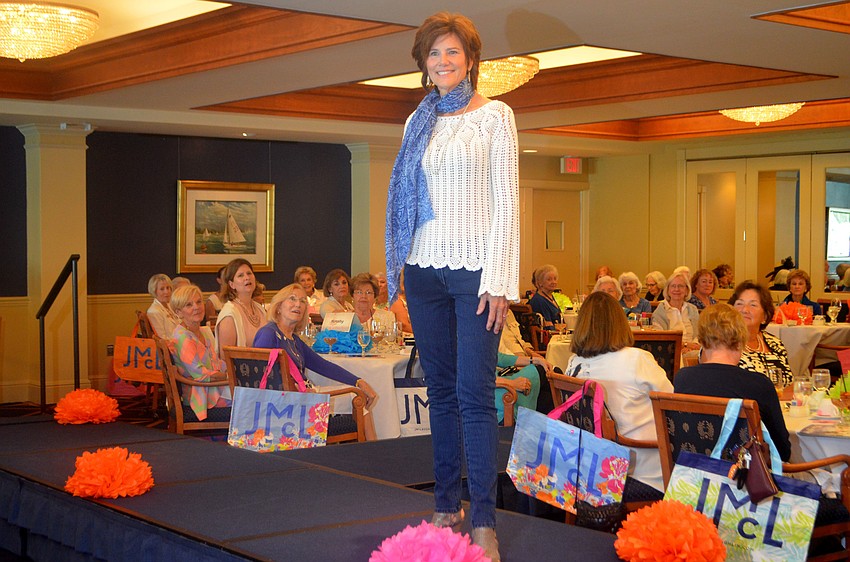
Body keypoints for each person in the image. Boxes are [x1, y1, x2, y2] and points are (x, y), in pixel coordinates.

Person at [383, 12, 518, 559]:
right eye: (433, 54)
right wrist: (398, 276)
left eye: (451, 53)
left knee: (474, 396)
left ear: (469, 59)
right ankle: (445, 502)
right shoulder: (419, 121)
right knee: (437, 392)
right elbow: (404, 204)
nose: (442, 62)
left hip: (475, 274)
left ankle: (483, 515)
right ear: (424, 65)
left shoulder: (496, 117)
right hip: (423, 270)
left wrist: (500, 279)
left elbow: (508, 202)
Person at [566, 291, 673, 492]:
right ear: (620, 323)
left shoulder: (573, 363)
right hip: (641, 471)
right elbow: (673, 404)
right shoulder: (636, 359)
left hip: (589, 467)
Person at [674, 303, 791, 461]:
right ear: (741, 341)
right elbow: (782, 451)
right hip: (742, 482)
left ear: (701, 340)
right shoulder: (759, 385)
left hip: (693, 479)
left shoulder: (682, 379)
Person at [253, 284, 377, 407]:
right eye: (292, 299)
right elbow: (259, 373)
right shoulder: (268, 333)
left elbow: (323, 366)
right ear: (278, 307)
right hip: (282, 405)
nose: (298, 304)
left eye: (302, 301)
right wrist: (296, 390)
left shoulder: (294, 340)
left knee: (358, 393)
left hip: (300, 398)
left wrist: (358, 381)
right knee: (356, 397)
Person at [169, 284, 231, 421]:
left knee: (251, 394)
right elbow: (199, 374)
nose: (196, 307)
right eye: (189, 305)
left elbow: (215, 362)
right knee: (249, 403)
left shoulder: (203, 331)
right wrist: (228, 376)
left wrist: (234, 368)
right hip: (200, 396)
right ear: (178, 312)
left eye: (198, 302)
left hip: (213, 388)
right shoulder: (183, 337)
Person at [730, 281, 793, 387]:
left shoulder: (775, 343)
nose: (745, 310)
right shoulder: (723, 342)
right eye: (739, 304)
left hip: (781, 401)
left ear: (765, 316)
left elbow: (789, 383)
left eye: (753, 305)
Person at [215, 259, 266, 354]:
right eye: (240, 275)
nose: (247, 278)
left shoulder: (259, 309)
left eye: (249, 273)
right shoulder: (229, 314)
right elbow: (226, 359)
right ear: (232, 284)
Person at [652, 271, 700, 351]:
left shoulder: (693, 309)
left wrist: (694, 346)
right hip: (671, 351)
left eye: (680, 286)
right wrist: (684, 346)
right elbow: (661, 339)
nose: (676, 289)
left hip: (694, 350)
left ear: (687, 290)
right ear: (667, 290)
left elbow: (700, 334)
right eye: (673, 286)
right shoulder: (660, 312)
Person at [494, 352, 541, 424]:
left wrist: (536, 360)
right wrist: (511, 383)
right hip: (494, 396)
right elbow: (476, 379)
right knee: (542, 374)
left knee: (545, 372)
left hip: (500, 383)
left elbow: (500, 358)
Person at [527, 264, 561, 329]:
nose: (553, 282)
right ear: (540, 282)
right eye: (549, 279)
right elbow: (547, 327)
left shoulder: (549, 296)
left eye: (555, 279)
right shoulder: (539, 300)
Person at [146, 274, 180, 338]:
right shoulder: (154, 311)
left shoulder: (170, 305)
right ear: (154, 291)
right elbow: (161, 338)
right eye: (162, 289)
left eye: (168, 288)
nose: (166, 292)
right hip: (171, 346)